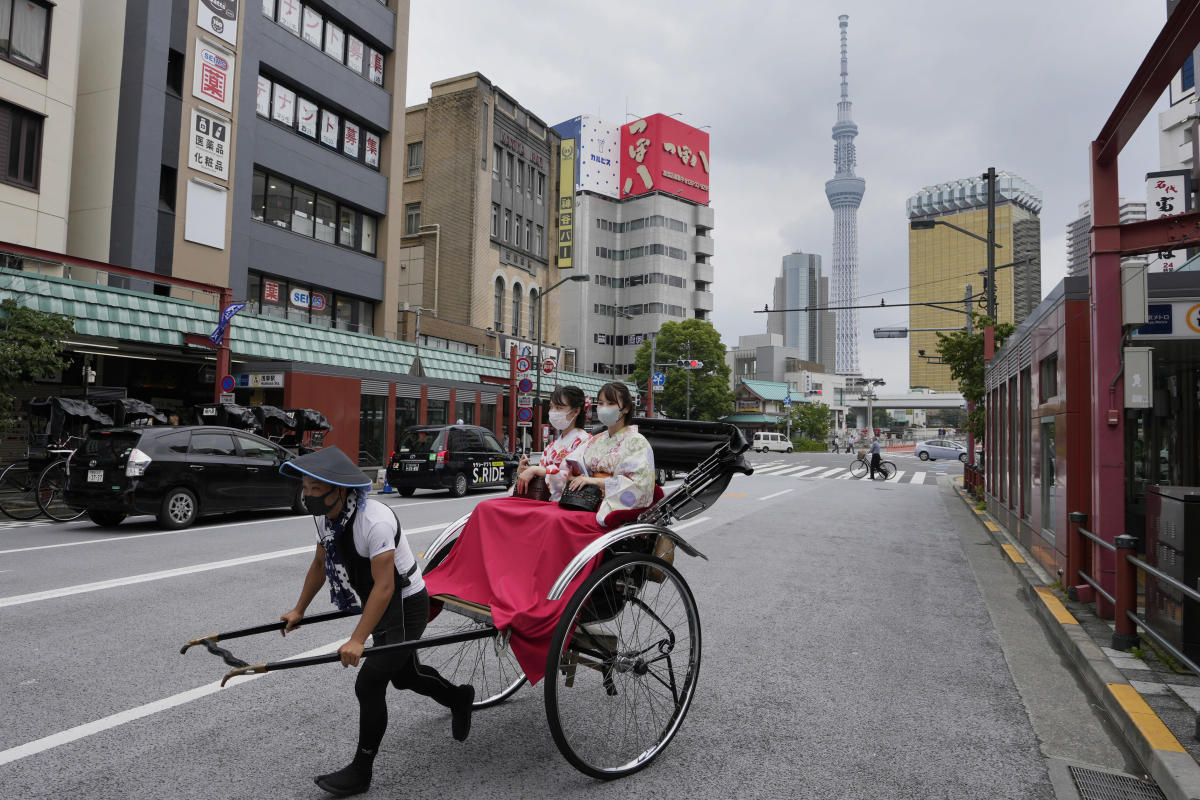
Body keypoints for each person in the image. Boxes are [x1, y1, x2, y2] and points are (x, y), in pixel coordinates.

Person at [424, 382, 655, 684]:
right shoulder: (596, 440)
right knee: (492, 510)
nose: (603, 408)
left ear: (624, 408)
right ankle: (497, 582)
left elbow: (639, 485)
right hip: (573, 502)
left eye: (609, 403)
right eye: (599, 402)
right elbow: (566, 472)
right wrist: (555, 473)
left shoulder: (637, 443)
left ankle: (538, 595)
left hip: (603, 509)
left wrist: (594, 482)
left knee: (553, 524)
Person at [278, 446, 474, 798]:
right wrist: (299, 610)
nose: (308, 496)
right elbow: (320, 564)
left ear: (339, 488)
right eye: (305, 488)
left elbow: (386, 587)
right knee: (405, 675)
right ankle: (459, 698)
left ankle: (361, 771)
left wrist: (357, 639)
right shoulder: (326, 516)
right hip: (379, 600)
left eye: (314, 489)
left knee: (370, 683)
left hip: (406, 602)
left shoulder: (374, 520)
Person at [514, 385, 591, 500]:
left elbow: (579, 478)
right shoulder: (551, 446)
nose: (553, 412)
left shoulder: (585, 441)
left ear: (576, 411)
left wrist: (538, 470)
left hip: (568, 502)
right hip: (545, 500)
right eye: (551, 407)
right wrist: (525, 471)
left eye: (559, 407)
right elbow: (541, 475)